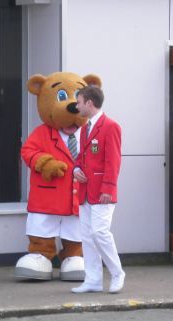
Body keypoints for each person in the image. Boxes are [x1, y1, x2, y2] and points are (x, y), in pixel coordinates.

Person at [71, 85, 125, 294]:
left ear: (89, 103)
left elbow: (114, 161)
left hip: (102, 192)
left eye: (79, 102)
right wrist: (75, 169)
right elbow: (80, 158)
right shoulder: (84, 128)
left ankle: (117, 273)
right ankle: (93, 280)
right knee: (87, 235)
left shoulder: (111, 126)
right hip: (86, 190)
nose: (77, 106)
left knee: (99, 232)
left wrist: (108, 189)